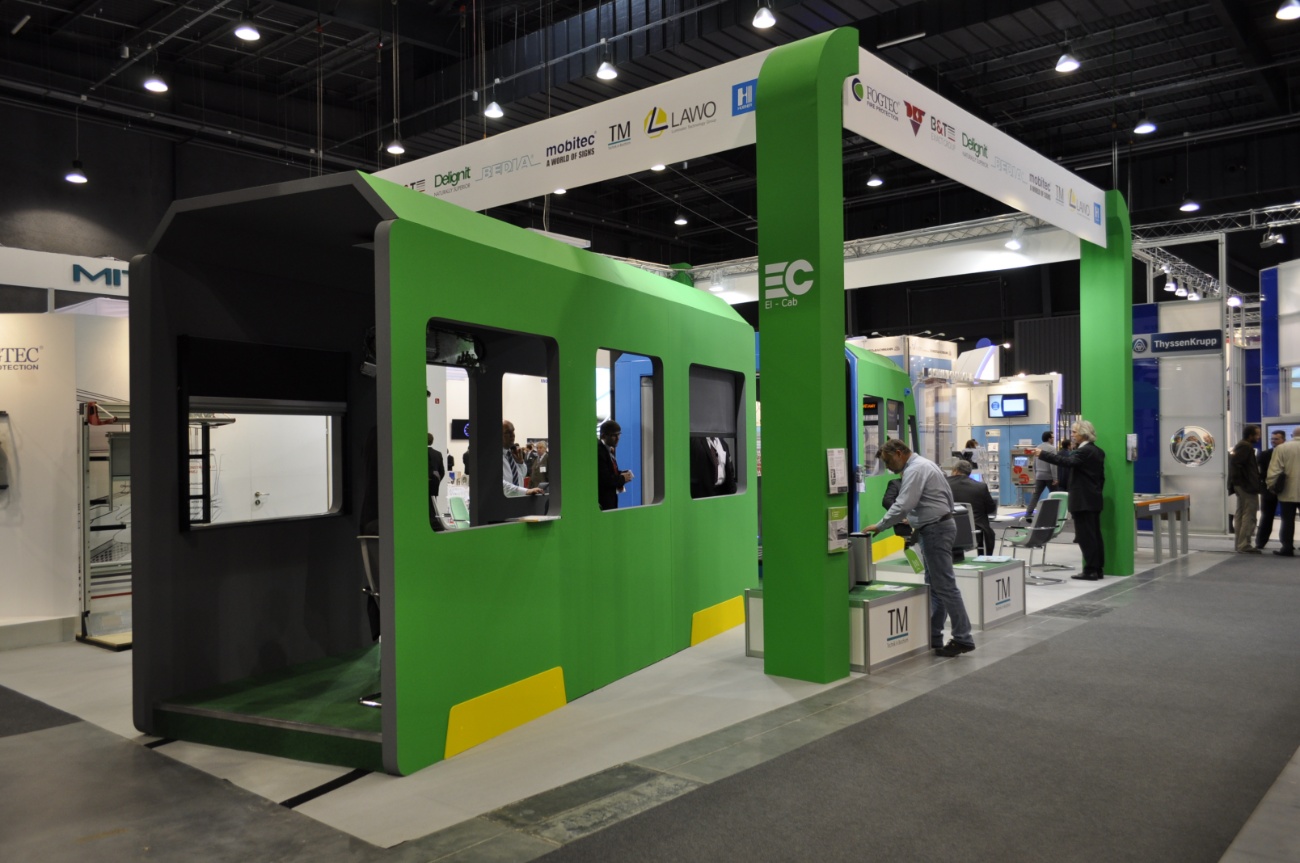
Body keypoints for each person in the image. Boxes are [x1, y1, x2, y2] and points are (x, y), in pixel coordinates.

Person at [863, 439, 975, 657]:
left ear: (898, 453)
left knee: (945, 586)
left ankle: (963, 637)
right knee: (935, 586)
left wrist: (881, 525)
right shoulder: (926, 464)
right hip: (937, 526)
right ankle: (934, 635)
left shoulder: (915, 469)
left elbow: (904, 503)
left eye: (888, 461)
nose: (889, 468)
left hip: (935, 530)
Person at [1036, 419, 1106, 580]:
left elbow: (1067, 462)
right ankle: (1097, 569)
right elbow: (1101, 478)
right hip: (1093, 499)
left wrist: (1042, 454)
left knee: (1086, 536)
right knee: (1094, 535)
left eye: (1074, 432)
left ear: (1083, 433)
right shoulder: (1098, 451)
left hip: (1082, 501)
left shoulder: (1084, 451)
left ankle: (1090, 570)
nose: (1072, 435)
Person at [947, 458, 997, 556]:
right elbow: (991, 509)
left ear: (955, 470)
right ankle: (984, 558)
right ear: (969, 472)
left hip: (948, 528)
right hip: (975, 531)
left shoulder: (944, 484)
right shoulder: (980, 487)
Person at [1264, 428, 1300, 557]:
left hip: (1287, 491)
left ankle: (1287, 548)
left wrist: (1271, 485)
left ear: (1291, 435)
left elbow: (1274, 469)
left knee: (1287, 521)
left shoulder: (1282, 448)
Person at [1228, 425, 1263, 554]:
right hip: (1246, 487)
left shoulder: (1241, 446)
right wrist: (1244, 483)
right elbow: (1236, 465)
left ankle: (1239, 544)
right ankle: (1244, 544)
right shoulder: (1246, 447)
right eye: (1257, 434)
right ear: (1250, 435)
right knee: (1249, 515)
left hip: (1242, 486)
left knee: (1241, 514)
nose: (1259, 437)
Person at [1256, 429, 1286, 550]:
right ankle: (1260, 542)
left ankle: (1286, 543)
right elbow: (1260, 472)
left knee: (1287, 518)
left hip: (1286, 488)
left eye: (1276, 439)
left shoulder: (1287, 453)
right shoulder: (1264, 454)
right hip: (1268, 489)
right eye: (1272, 439)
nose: (1273, 441)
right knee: (1266, 517)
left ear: (1283, 440)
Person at [502, 421, 544, 498]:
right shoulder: (493, 458)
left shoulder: (512, 454)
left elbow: (522, 476)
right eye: (508, 432)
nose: (512, 435)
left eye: (513, 431)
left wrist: (520, 463)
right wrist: (526, 491)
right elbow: (501, 485)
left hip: (518, 501)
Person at [598, 420, 633, 510]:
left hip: (610, 500)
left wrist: (621, 474)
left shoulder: (608, 450)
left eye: (619, 434)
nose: (618, 438)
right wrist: (622, 478)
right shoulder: (599, 452)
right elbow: (605, 479)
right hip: (603, 503)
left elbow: (609, 471)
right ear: (603, 436)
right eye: (614, 435)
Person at [1025, 430, 1057, 517]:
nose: (1053, 439)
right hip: (1049, 476)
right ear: (1049, 439)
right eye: (1053, 437)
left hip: (1039, 475)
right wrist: (1055, 478)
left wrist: (1036, 475)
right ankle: (1054, 513)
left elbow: (1034, 463)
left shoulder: (1038, 448)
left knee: (1036, 495)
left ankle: (1028, 512)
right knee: (1054, 494)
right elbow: (1053, 464)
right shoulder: (1052, 449)